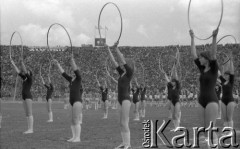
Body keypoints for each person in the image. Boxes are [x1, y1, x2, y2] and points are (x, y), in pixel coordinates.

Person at [190, 28, 219, 149]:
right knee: (206, 129)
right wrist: (192, 38)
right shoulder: (202, 69)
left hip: (212, 100)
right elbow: (193, 55)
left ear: (206, 59)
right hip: (201, 101)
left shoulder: (213, 69)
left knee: (211, 129)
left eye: (202, 57)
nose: (199, 59)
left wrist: (214, 37)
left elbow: (213, 54)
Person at [106, 42, 134, 149]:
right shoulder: (121, 72)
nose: (124, 63)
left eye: (125, 62)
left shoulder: (129, 72)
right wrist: (108, 49)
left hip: (126, 99)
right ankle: (124, 142)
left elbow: (122, 60)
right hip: (119, 99)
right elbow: (114, 61)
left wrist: (116, 49)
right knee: (121, 123)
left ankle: (128, 144)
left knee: (124, 122)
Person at [53, 55, 83, 143]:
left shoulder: (78, 78)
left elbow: (76, 70)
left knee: (76, 119)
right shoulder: (71, 79)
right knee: (72, 120)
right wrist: (58, 64)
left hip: (77, 101)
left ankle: (78, 137)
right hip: (71, 102)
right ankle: (74, 137)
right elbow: (63, 73)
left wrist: (72, 60)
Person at [11, 57, 34, 134]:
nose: (26, 72)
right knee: (27, 114)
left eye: (28, 72)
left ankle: (31, 129)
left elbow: (24, 70)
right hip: (24, 97)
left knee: (29, 113)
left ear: (30, 74)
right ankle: (29, 129)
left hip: (28, 96)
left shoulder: (30, 79)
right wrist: (13, 63)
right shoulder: (24, 79)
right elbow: (18, 71)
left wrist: (21, 62)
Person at [219, 52, 236, 131]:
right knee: (225, 118)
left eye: (227, 75)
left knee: (229, 118)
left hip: (230, 100)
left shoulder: (231, 81)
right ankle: (226, 132)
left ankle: (230, 132)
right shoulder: (222, 81)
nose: (226, 75)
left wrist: (231, 61)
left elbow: (232, 71)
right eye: (225, 75)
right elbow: (219, 74)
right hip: (223, 100)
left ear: (229, 76)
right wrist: (222, 66)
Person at [163, 64, 181, 131]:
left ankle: (178, 126)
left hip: (177, 101)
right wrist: (165, 74)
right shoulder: (169, 86)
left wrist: (175, 70)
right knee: (173, 116)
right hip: (172, 101)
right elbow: (167, 80)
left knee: (176, 115)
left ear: (176, 82)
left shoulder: (178, 86)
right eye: (172, 82)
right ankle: (175, 127)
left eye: (174, 82)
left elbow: (176, 77)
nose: (173, 83)